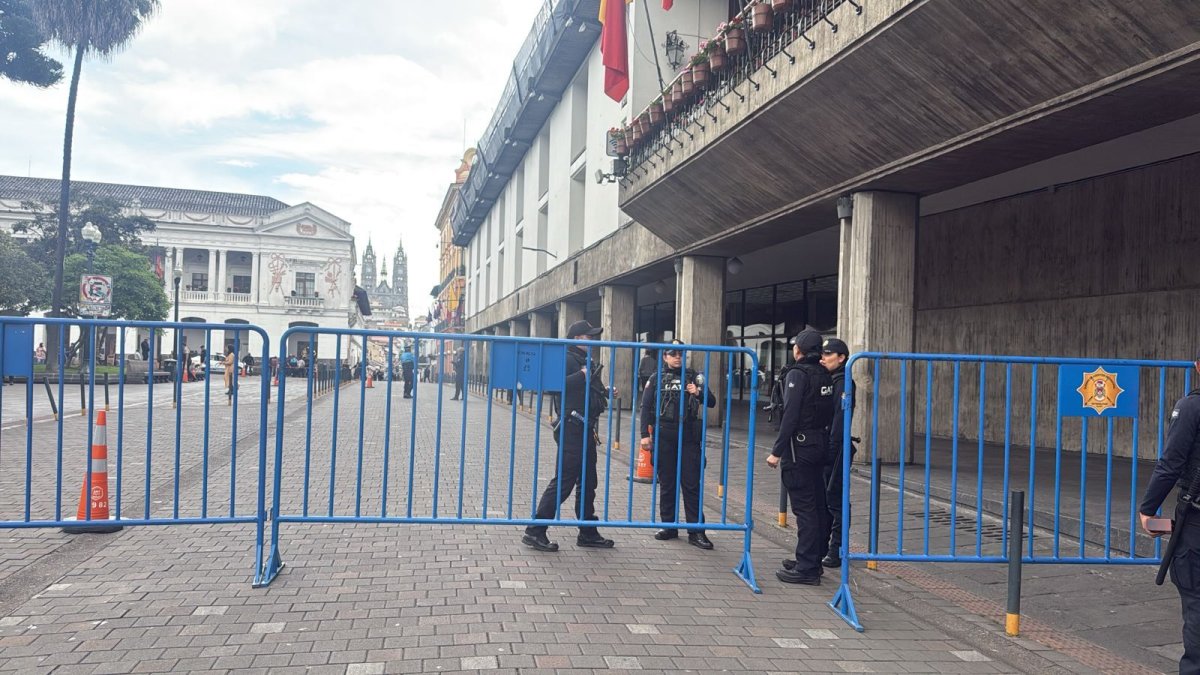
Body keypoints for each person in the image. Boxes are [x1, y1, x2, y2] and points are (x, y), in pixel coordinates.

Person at [523, 319, 615, 552]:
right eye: (588, 337)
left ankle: (587, 531)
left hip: (586, 427)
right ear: (576, 339)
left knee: (588, 481)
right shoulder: (564, 357)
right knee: (564, 480)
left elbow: (588, 389)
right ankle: (535, 530)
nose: (592, 340)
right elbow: (551, 386)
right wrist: (582, 376)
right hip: (572, 425)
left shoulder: (585, 360)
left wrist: (604, 391)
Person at [1140, 348, 1200, 674]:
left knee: (1197, 607)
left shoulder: (1191, 407)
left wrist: (1148, 509)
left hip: (1196, 525)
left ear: (1197, 366)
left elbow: (1171, 464)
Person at [767, 328, 835, 585]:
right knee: (816, 506)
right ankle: (812, 560)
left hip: (800, 448)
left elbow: (791, 415)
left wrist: (777, 451)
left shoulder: (798, 373)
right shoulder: (825, 374)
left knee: (805, 509)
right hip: (819, 444)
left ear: (798, 350)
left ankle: (806, 569)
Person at [640, 339, 716, 550]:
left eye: (680, 354)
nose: (677, 357)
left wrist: (698, 393)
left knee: (691, 483)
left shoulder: (694, 377)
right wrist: (643, 435)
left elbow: (712, 401)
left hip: (688, 436)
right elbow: (645, 407)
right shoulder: (656, 378)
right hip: (664, 435)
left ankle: (696, 531)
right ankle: (669, 526)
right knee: (667, 483)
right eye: (673, 354)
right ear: (665, 356)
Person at [818, 337, 856, 568]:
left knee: (836, 500)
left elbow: (841, 418)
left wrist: (833, 447)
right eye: (823, 353)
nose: (824, 358)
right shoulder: (831, 378)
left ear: (841, 358)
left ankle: (837, 550)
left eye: (829, 354)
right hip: (828, 445)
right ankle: (824, 548)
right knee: (825, 499)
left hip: (837, 447)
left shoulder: (843, 382)